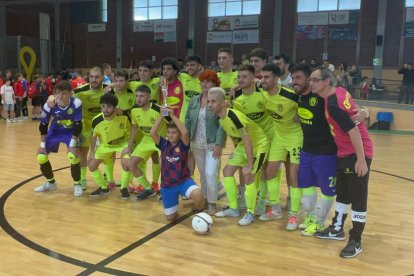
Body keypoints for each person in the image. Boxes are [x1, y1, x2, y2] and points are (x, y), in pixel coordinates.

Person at [311, 67, 373, 259]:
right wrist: (364, 111)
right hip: (345, 152)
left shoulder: (334, 103)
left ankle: (356, 240)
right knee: (343, 193)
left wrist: (361, 160)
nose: (310, 83)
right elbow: (357, 110)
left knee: (358, 197)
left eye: (314, 80)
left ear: (327, 81)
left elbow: (353, 132)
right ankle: (337, 228)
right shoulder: (339, 92)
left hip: (357, 153)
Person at [208, 87, 268, 226]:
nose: (210, 104)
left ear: (223, 103)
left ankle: (250, 212)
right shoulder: (221, 118)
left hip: (259, 145)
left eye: (214, 101)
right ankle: (234, 209)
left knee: (249, 176)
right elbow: (239, 140)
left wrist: (249, 165)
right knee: (227, 171)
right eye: (209, 101)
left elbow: (249, 143)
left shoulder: (234, 117)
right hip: (243, 145)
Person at [232, 64, 281, 218]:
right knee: (255, 171)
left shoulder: (263, 93)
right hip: (253, 141)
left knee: (267, 171)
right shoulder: (237, 99)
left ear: (254, 78)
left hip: (271, 139)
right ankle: (256, 199)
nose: (241, 80)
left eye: (245, 76)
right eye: (239, 77)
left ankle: (266, 202)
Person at [260, 63, 303, 231]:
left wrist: (301, 115)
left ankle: (294, 214)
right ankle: (276, 208)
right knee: (269, 172)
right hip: (279, 137)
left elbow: (306, 103)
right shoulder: (262, 91)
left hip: (295, 137)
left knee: (294, 176)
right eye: (262, 77)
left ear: (276, 79)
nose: (262, 80)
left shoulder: (290, 95)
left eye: (266, 77)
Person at [150, 105, 204, 221]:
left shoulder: (183, 145)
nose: (170, 135)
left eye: (174, 133)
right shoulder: (164, 144)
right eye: (169, 132)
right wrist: (161, 115)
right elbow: (153, 133)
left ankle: (200, 213)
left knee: (198, 194)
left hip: (183, 181)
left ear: (178, 135)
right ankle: (173, 201)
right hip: (168, 186)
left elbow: (185, 133)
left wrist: (173, 116)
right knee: (170, 218)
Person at [185, 70, 226, 214]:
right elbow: (188, 120)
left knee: (210, 173)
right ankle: (204, 200)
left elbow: (223, 124)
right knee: (202, 174)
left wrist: (219, 144)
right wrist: (187, 141)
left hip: (213, 143)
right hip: (196, 143)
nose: (204, 84)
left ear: (215, 84)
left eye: (208, 81)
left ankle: (213, 202)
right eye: (202, 81)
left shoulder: (218, 101)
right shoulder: (194, 100)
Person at [33, 81, 83, 196]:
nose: (60, 96)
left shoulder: (76, 103)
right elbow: (43, 126)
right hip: (54, 131)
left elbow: (77, 126)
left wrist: (72, 145)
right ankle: (51, 183)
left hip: (70, 132)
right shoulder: (49, 104)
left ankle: (77, 184)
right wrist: (42, 146)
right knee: (41, 156)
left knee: (73, 156)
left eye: (64, 93)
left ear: (71, 93)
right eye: (58, 93)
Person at [124, 84, 167, 200]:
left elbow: (172, 123)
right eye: (137, 96)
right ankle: (149, 189)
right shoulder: (134, 110)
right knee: (131, 164)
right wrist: (129, 146)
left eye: (142, 96)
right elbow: (134, 127)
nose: (138, 99)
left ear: (148, 97)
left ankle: (166, 191)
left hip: (161, 139)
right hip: (147, 140)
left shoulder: (158, 109)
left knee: (164, 164)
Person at [88, 93, 132, 198]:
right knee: (91, 165)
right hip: (106, 146)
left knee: (126, 163)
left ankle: (124, 188)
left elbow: (131, 131)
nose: (105, 109)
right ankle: (104, 188)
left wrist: (130, 147)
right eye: (103, 106)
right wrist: (92, 151)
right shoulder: (96, 120)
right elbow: (93, 136)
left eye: (109, 106)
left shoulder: (124, 116)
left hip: (123, 144)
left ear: (115, 107)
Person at [178, 54, 203, 122]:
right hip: (183, 119)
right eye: (187, 65)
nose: (189, 68)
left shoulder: (205, 81)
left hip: (198, 121)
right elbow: (168, 77)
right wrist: (163, 79)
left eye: (192, 65)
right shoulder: (182, 76)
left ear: (199, 66)